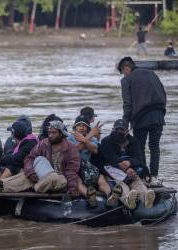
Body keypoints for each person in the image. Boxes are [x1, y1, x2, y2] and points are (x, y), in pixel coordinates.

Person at [118, 57, 167, 186]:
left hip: (141, 117)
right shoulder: (152, 73)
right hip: (159, 115)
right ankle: (154, 176)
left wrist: (125, 123)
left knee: (139, 147)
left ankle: (145, 177)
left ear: (126, 68)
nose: (124, 74)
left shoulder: (126, 79)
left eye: (123, 72)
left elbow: (127, 104)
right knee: (154, 146)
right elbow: (163, 93)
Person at [99, 119, 155, 209]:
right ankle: (127, 199)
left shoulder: (133, 141)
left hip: (131, 170)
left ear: (127, 131)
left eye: (122, 130)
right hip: (112, 170)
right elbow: (111, 158)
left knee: (136, 181)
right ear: (113, 129)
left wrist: (130, 163)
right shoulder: (106, 141)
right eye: (117, 130)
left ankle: (145, 198)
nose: (119, 132)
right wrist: (124, 168)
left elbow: (138, 159)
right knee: (121, 184)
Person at [67, 115, 121, 207]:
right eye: (79, 125)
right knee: (78, 182)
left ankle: (110, 196)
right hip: (75, 169)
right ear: (75, 128)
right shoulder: (69, 139)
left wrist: (85, 139)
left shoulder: (94, 139)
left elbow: (95, 150)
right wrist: (89, 136)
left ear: (87, 128)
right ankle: (90, 197)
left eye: (84, 125)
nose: (81, 127)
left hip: (89, 168)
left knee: (101, 180)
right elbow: (74, 150)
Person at [0, 120, 38, 192]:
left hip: (30, 171)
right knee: (11, 164)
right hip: (25, 167)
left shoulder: (29, 143)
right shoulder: (25, 141)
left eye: (12, 133)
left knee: (13, 165)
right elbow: (14, 156)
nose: (11, 135)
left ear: (15, 134)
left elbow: (17, 158)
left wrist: (0, 160)